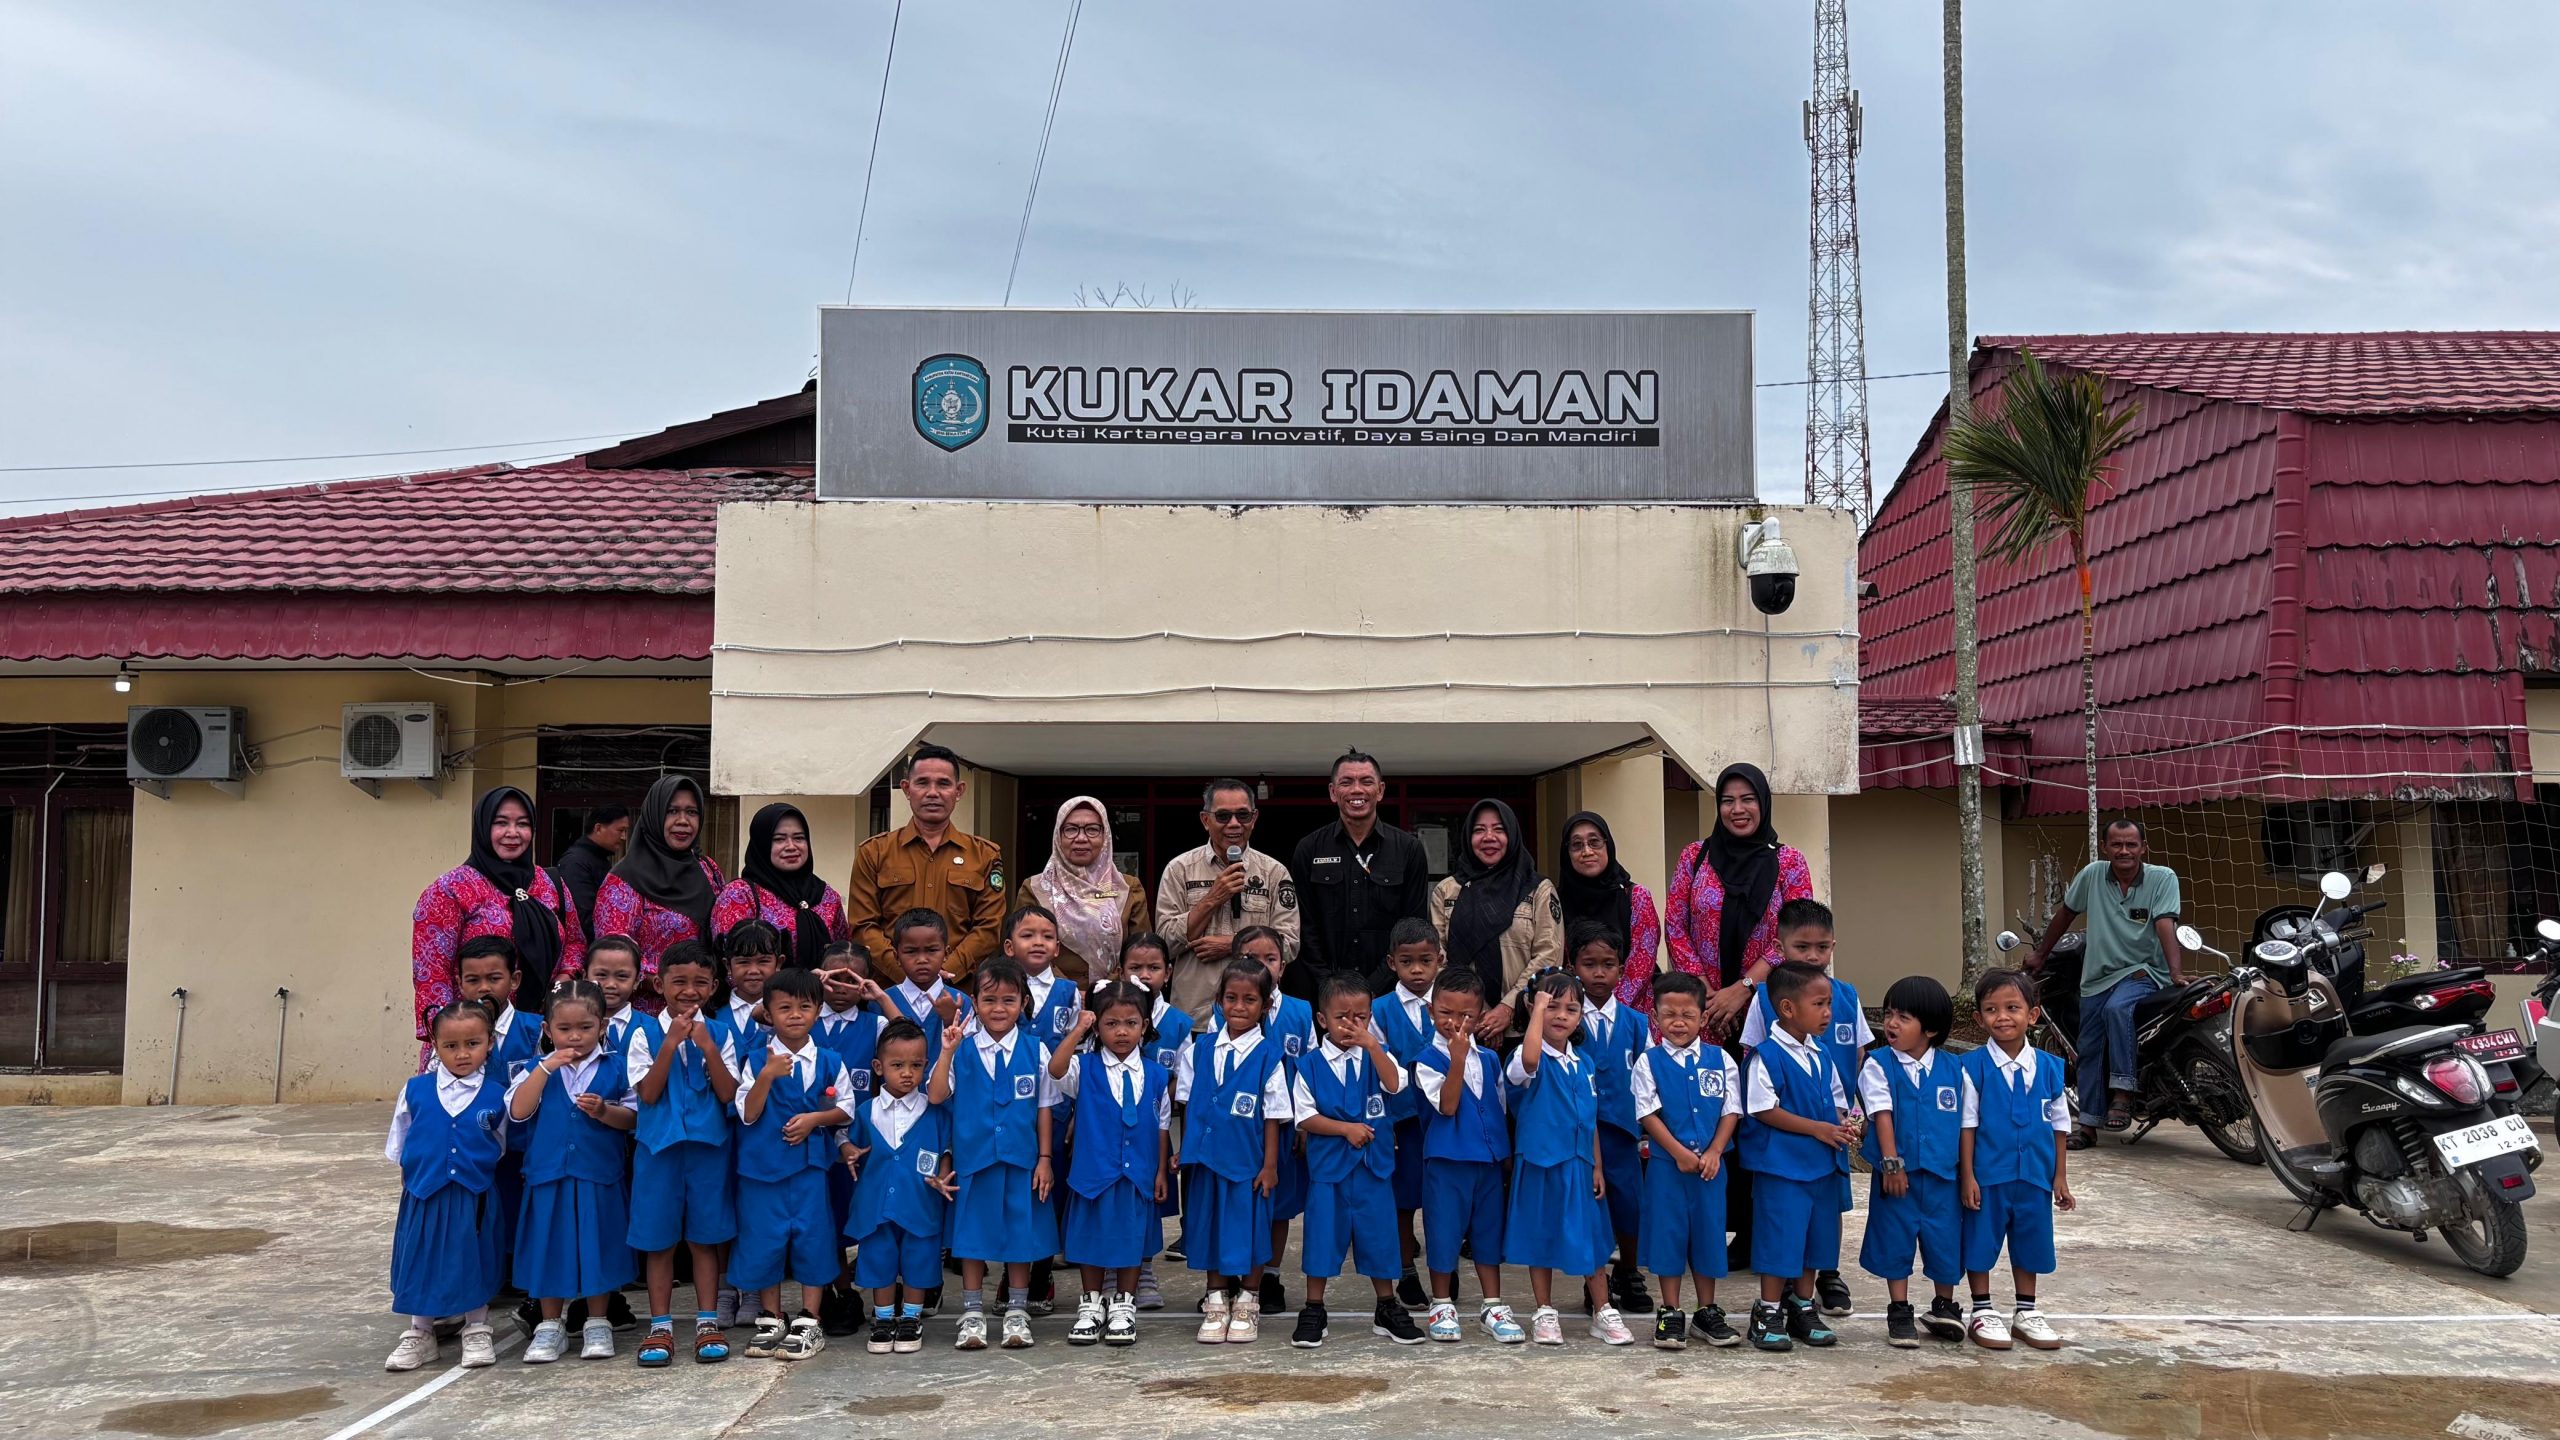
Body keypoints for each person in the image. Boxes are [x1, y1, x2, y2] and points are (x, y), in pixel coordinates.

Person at [1735, 898, 1870, 1319]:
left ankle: (1824, 1276)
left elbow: (1861, 1053)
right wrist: (1816, 1126)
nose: (1813, 956)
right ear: (1780, 946)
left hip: (1828, 1137)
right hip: (1789, 1143)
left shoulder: (1845, 995)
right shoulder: (1767, 998)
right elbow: (1753, 1057)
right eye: (1802, 947)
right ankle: (1776, 1303)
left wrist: (1851, 1115)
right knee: (1785, 1220)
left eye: (1822, 948)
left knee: (1826, 1214)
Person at [1286, 974, 1425, 1349]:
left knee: (1380, 1240)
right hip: (1329, 1173)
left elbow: (1396, 1085)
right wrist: (1345, 1129)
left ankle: (1386, 1305)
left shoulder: (1377, 1055)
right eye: (1342, 1017)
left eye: (1360, 1017)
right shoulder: (1309, 1065)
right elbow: (1304, 1117)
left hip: (1373, 1171)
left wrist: (1373, 1046)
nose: (1351, 1025)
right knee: (1321, 1239)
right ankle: (1314, 1307)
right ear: (1322, 1020)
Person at [931, 957, 1060, 1353]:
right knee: (971, 1236)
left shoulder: (1037, 1051)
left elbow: (1044, 1108)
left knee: (1021, 1233)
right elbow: (936, 1095)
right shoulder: (963, 1049)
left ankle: (1017, 1309)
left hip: (1022, 1162)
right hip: (975, 1161)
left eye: (1008, 1000)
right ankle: (971, 1310)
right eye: (989, 1000)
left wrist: (1044, 1159)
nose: (999, 1008)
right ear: (974, 1002)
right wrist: (947, 1051)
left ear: (1023, 1002)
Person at [2029, 819, 2184, 1148]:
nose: (2124, 851)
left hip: (2143, 972)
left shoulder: (2162, 878)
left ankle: (2123, 1093)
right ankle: (2087, 1126)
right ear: (2105, 847)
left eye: (2131, 844)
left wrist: (2175, 972)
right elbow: (2066, 914)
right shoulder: (2093, 875)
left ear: (2144, 847)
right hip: (2097, 976)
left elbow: (2165, 924)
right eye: (2116, 844)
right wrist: (2041, 954)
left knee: (2118, 1009)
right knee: (2087, 1049)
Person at [623, 940, 741, 1369]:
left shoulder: (724, 1033)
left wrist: (707, 1046)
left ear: (713, 987)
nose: (689, 991)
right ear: (659, 984)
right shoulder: (644, 1033)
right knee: (659, 1243)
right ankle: (661, 1326)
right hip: (659, 1153)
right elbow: (649, 1094)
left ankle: (707, 1321)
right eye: (679, 982)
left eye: (700, 983)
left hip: (709, 1151)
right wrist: (671, 1043)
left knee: (705, 1240)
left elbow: (729, 1095)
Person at [508, 979, 637, 1365]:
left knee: (597, 1245)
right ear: (547, 1030)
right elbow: (517, 1111)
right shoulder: (534, 1068)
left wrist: (603, 1111)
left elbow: (631, 1117)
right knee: (549, 1245)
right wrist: (546, 1067)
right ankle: (550, 1324)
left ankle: (597, 1321)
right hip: (548, 1177)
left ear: (602, 1027)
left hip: (598, 1174)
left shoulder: (617, 1067)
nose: (575, 1037)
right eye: (564, 1029)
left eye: (585, 1028)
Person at [1502, 973, 1631, 1347]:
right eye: (1551, 1006)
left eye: (1570, 1008)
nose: (1561, 1015)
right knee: (1540, 1236)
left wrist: (1598, 1165)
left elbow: (1589, 1120)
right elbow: (1528, 1060)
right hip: (1541, 1164)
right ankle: (1544, 1310)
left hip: (1579, 1165)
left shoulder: (1584, 1063)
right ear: (1534, 1007)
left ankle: (1602, 1310)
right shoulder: (1529, 1056)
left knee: (1589, 1237)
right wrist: (1536, 1013)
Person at [412, 786, 587, 1061]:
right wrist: (453, 1042)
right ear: (482, 827)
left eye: (523, 824)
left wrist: (564, 980)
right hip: (472, 1044)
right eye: (501, 822)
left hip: (539, 1036)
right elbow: (432, 979)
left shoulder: (549, 884)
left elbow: (575, 941)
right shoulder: (450, 891)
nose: (513, 833)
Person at [731, 968, 852, 1363]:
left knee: (812, 1239)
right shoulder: (754, 1060)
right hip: (762, 1171)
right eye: (784, 1007)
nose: (795, 1015)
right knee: (764, 1240)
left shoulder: (831, 1060)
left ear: (818, 1011)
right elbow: (748, 1113)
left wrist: (815, 1120)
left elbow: (846, 1110)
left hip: (809, 1170)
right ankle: (770, 1316)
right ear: (768, 1012)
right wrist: (767, 1075)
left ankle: (809, 1317)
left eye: (805, 1007)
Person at [382, 998, 509, 1374]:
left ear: (489, 1043)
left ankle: (476, 1327)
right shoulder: (415, 1090)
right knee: (421, 1257)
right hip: (424, 1192)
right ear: (435, 1047)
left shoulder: (497, 1093)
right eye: (451, 1046)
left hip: (474, 1195)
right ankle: (420, 1332)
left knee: (473, 1256)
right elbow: (401, 1141)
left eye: (473, 1043)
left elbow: (499, 1144)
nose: (462, 1053)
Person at [1738, 962, 1853, 1354]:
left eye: (1829, 1004)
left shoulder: (1821, 1054)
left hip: (1821, 1167)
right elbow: (1762, 1108)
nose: (1828, 1013)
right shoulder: (1765, 1056)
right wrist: (1819, 1129)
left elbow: (1837, 1102)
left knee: (1815, 1242)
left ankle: (1803, 1307)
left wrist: (1844, 1122)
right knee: (1779, 1241)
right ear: (1787, 1008)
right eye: (1819, 1004)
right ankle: (1768, 1311)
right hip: (1782, 1169)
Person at [1958, 968, 2076, 1353]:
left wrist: (2060, 1177)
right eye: (1991, 1009)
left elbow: (2060, 1125)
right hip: (1989, 1175)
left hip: (2035, 1176)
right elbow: (1968, 1125)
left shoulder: (2050, 1068)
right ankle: (1982, 1308)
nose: (2002, 1016)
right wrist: (1968, 1175)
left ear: (2033, 1014)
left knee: (2031, 1241)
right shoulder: (1971, 1067)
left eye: (2012, 1007)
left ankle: (2026, 1311)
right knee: (1981, 1240)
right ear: (1979, 1018)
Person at [1178, 957, 1294, 1345]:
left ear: (1265, 1006)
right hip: (1206, 1161)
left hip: (1248, 1164)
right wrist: (1184, 1151)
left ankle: (1248, 1298)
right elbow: (1188, 1103)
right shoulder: (1200, 1049)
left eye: (1249, 1000)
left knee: (1251, 1231)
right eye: (1231, 998)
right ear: (1218, 1000)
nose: (1239, 1007)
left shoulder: (1269, 1056)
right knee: (1209, 1228)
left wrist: (1270, 1165)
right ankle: (1215, 1298)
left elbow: (1274, 1116)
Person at [1050, 981, 1172, 1348]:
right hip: (1093, 1175)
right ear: (1098, 1027)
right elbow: (1055, 1070)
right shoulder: (1083, 1067)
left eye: (1131, 1023)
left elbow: (1162, 1124)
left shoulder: (1155, 1074)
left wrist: (1161, 1170)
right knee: (1091, 1241)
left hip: (1137, 1176)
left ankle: (1124, 1303)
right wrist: (1078, 1030)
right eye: (1111, 1023)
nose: (1121, 1031)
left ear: (1144, 1026)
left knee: (1132, 1241)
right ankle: (1091, 1304)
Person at [1410, 968, 1525, 1344]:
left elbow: (1497, 1107)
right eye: (1446, 1013)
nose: (1455, 1023)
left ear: (1479, 1017)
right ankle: (1441, 1302)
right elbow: (1447, 1105)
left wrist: (1504, 1155)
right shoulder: (1427, 1060)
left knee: (1488, 1234)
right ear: (1431, 1011)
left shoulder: (1491, 1060)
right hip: (1447, 1161)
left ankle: (1492, 1304)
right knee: (1443, 1233)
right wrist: (1456, 1059)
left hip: (1488, 1162)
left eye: (1466, 1016)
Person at [1654, 762, 1816, 1026]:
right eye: (1728, 801)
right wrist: (1707, 994)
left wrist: (1743, 989)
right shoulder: (1694, 856)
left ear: (1763, 803)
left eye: (1748, 799)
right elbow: (1675, 926)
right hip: (1703, 1010)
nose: (1737, 809)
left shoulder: (1790, 862)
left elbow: (1798, 934)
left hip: (1768, 1005)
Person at [1632, 972, 1744, 1352]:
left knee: (1709, 1236)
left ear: (1702, 1018)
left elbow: (1731, 1111)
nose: (1678, 1022)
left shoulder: (1721, 1059)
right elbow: (1648, 1114)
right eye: (1669, 1015)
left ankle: (1707, 1311)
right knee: (1669, 1236)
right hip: (1667, 1170)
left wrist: (1714, 1151)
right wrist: (1678, 1152)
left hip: (1712, 1171)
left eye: (1688, 1015)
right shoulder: (1648, 1062)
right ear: (1655, 1017)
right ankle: (1670, 1311)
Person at [1858, 975, 1967, 1349]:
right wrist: (1891, 1163)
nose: (1891, 1023)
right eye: (1888, 1014)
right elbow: (1881, 1112)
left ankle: (1945, 1305)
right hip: (1897, 1177)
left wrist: (1967, 1174)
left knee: (1945, 1241)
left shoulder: (1956, 1070)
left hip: (1942, 1177)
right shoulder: (1878, 1064)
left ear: (1931, 1028)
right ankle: (1899, 1308)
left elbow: (1967, 1126)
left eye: (1903, 1017)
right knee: (1895, 1240)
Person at [846, 745, 1008, 985]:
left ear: (959, 791)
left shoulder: (984, 856)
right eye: (922, 783)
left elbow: (988, 929)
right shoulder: (874, 852)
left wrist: (946, 973)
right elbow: (863, 926)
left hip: (956, 991)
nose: (933, 793)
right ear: (906, 789)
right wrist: (906, 974)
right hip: (891, 991)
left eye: (943, 784)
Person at [844, 1017, 953, 1358]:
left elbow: (946, 1149)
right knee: (879, 1259)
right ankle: (883, 1318)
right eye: (897, 1065)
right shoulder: (867, 1112)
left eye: (917, 1065)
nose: (908, 1073)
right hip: (876, 1206)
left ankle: (910, 1318)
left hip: (920, 1203)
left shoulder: (934, 1112)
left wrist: (942, 1176)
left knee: (919, 1259)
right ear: (878, 1067)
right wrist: (846, 1151)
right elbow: (848, 1143)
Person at [1289, 749, 1430, 998]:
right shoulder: (1309, 849)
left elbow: (1412, 926)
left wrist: (1374, 986)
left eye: (1366, 781)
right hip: (1325, 994)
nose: (1357, 790)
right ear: (1333, 792)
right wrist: (1329, 985)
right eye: (1346, 782)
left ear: (1381, 790)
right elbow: (1304, 926)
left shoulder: (1408, 849)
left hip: (1389, 994)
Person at [1158, 779, 1301, 1022]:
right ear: (1205, 820)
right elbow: (1163, 945)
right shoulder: (1179, 869)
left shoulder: (1274, 873)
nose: (1234, 824)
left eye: (1242, 815)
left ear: (1254, 819)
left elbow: (1289, 944)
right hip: (1195, 1013)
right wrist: (1213, 898)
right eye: (1223, 816)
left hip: (1257, 1014)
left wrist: (1233, 945)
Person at [1568, 922, 1653, 1315]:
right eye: (1589, 964)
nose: (1598, 973)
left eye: (1608, 964)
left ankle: (1630, 1272)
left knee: (1630, 1203)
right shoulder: (1565, 1019)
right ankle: (1594, 1278)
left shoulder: (1637, 1023)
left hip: (1623, 1132)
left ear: (1622, 969)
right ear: (1573, 966)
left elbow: (1651, 1075)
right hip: (1580, 1130)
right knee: (1591, 1204)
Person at [1429, 798, 1562, 1042]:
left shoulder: (1538, 889)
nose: (1489, 837)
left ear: (1512, 835)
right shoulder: (1447, 890)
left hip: (1524, 1029)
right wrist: (1477, 1009)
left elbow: (1548, 956)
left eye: (1499, 829)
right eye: (1479, 830)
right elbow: (1437, 958)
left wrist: (1507, 1008)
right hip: (1462, 1028)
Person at [1368, 918, 1443, 1308]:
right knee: (1402, 1200)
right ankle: (1407, 1272)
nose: (1417, 970)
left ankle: (1442, 1270)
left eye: (1425, 961)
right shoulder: (1379, 1009)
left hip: (1445, 1122)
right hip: (1401, 1122)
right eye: (1407, 961)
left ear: (1439, 961)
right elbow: (1374, 1071)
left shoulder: (1451, 1002)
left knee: (1441, 1199)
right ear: (1391, 963)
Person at [1115, 932, 1189, 1312]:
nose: (1144, 975)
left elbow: (1185, 1075)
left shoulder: (1178, 1023)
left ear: (1169, 972)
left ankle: (1143, 1271)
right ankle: (1112, 1272)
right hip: (1110, 1132)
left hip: (1152, 1130)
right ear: (1120, 970)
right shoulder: (1108, 1011)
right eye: (1135, 967)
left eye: (1153, 968)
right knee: (1110, 1199)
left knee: (1149, 1199)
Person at [594, 776, 724, 991]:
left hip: (705, 1007)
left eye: (692, 812)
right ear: (654, 815)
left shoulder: (708, 869)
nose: (683, 821)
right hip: (649, 1014)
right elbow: (613, 962)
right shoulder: (622, 882)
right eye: (672, 811)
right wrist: (671, 985)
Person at [1025, 797, 1149, 983]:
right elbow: (1023, 947)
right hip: (1051, 994)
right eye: (1071, 829)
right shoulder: (1035, 888)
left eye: (1092, 830)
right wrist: (1067, 989)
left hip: (1116, 998)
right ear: (1058, 836)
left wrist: (1106, 989)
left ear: (1105, 836)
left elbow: (1141, 951)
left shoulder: (1128, 888)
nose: (1081, 838)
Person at [713, 803, 849, 973]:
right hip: (761, 998)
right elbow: (729, 966)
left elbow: (843, 954)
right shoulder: (739, 895)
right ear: (762, 844)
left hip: (821, 998)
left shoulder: (826, 896)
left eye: (799, 838)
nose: (791, 846)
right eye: (779, 839)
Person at [1559, 811, 1663, 1006]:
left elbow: (1642, 962)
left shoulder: (1636, 897)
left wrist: (1611, 1009)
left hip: (1631, 1012)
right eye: (1577, 845)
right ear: (1567, 853)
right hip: (1574, 1012)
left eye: (1595, 842)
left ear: (1608, 845)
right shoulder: (1556, 901)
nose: (1587, 851)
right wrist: (1581, 1008)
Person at [879, 910, 974, 1073]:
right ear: (896, 956)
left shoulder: (962, 1002)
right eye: (911, 951)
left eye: (931, 950)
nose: (922, 959)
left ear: (946, 953)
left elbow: (970, 1060)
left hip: (948, 1097)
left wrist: (951, 1020)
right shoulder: (881, 1001)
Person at [1005, 902, 1084, 1049]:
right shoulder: (1002, 989)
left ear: (1057, 948)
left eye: (1047, 937)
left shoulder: (1069, 992)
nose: (1039, 942)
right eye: (1027, 935)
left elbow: (1072, 1039)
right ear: (1010, 947)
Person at [556, 804, 631, 940]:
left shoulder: (598, 859)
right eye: (621, 830)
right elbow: (583, 917)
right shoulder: (576, 862)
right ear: (598, 828)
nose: (623, 837)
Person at [584, 938, 643, 1053]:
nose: (611, 984)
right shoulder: (568, 1025)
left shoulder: (650, 1028)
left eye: (622, 976)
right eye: (601, 975)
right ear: (585, 976)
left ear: (636, 981)